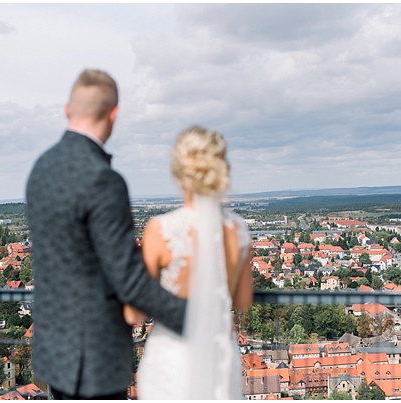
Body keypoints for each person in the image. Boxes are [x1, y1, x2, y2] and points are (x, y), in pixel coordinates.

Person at [26, 69, 187, 400]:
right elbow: (129, 281)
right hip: (95, 356)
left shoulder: (40, 169)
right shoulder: (103, 180)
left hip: (55, 351)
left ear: (67, 109)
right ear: (113, 114)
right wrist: (193, 317)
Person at [123, 126, 253, 399]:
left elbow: (135, 313)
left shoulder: (162, 229)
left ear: (179, 173)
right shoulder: (239, 230)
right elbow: (242, 302)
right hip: (220, 351)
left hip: (173, 351)